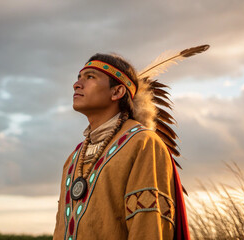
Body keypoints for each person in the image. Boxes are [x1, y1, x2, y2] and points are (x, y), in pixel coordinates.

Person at [53, 47, 209, 239]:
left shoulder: (143, 144)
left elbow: (148, 226)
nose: (77, 84)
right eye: (79, 77)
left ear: (117, 91)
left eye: (90, 77)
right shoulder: (74, 158)